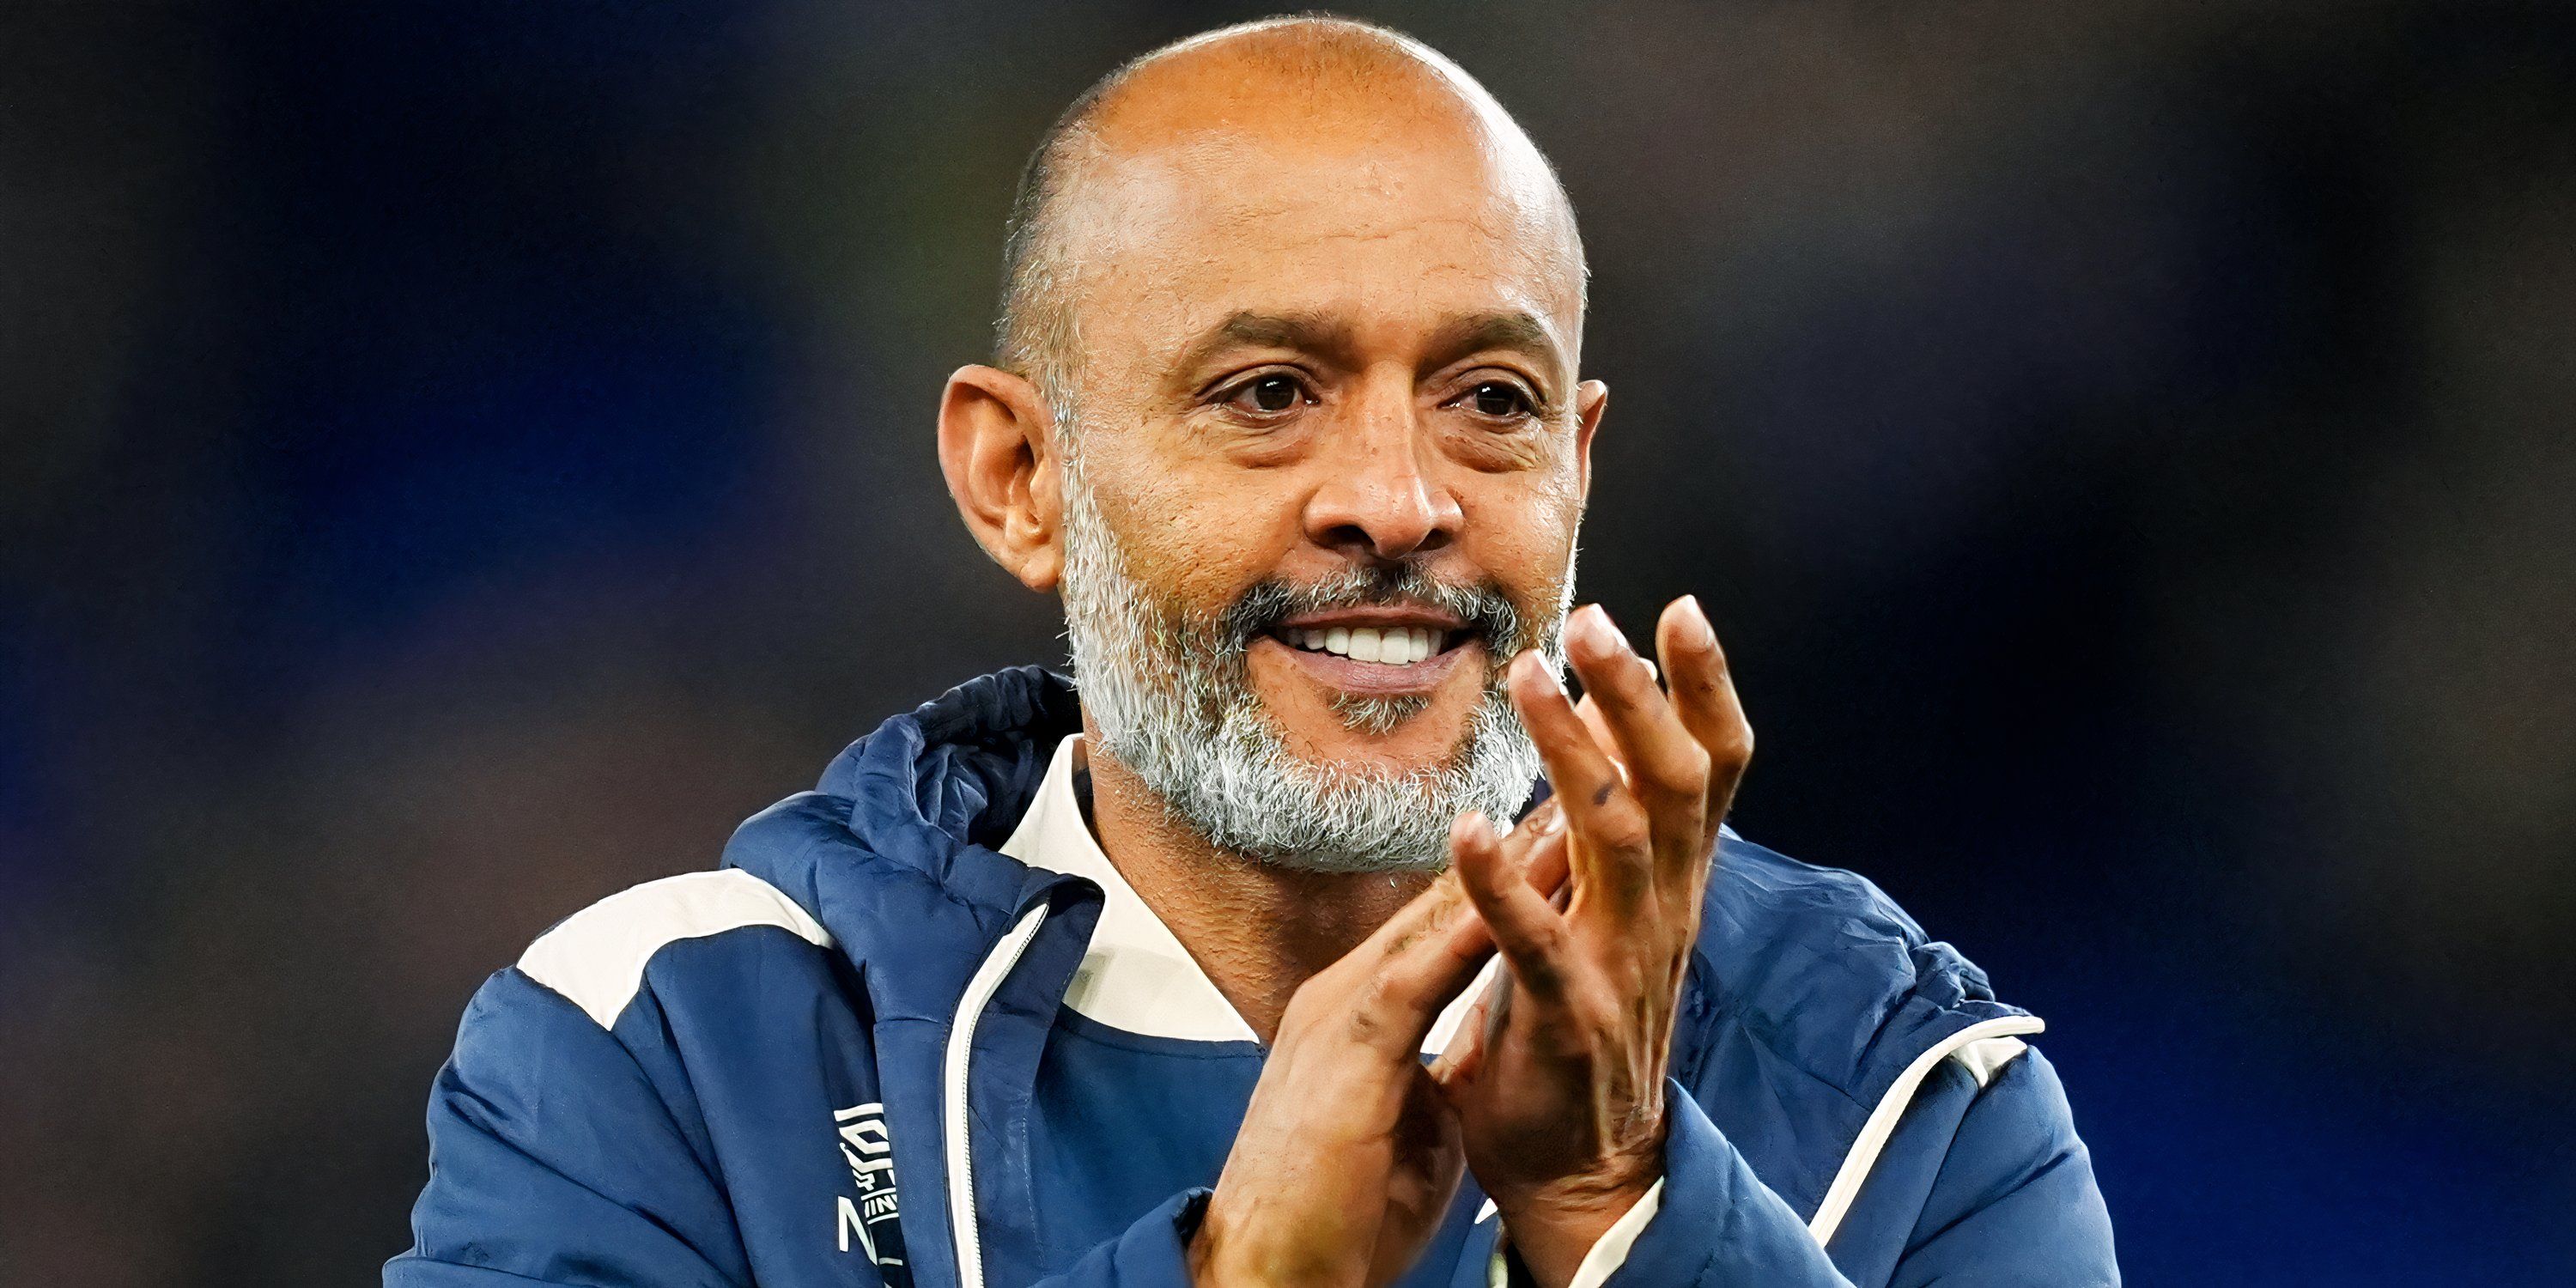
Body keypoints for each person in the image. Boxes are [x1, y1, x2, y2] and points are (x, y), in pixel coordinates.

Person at [386, 16, 2117, 1288]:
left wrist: (1624, 1221)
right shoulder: (672, 1055)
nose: (1396, 498)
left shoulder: (1909, 1099)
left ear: (1578, 466)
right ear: (1021, 477)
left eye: (1489, 403)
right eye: (1268, 394)